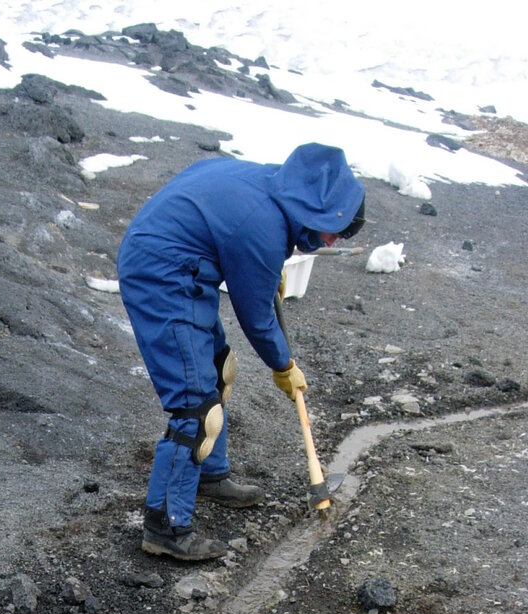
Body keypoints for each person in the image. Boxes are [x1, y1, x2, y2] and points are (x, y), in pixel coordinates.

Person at [116, 142, 365, 561]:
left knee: (219, 369)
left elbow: (230, 226)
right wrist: (283, 365)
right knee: (197, 409)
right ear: (319, 210)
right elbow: (256, 319)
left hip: (183, 264)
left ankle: (209, 476)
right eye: (335, 232)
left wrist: (269, 267)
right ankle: (165, 527)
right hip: (161, 274)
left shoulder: (278, 187)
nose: (334, 242)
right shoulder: (263, 225)